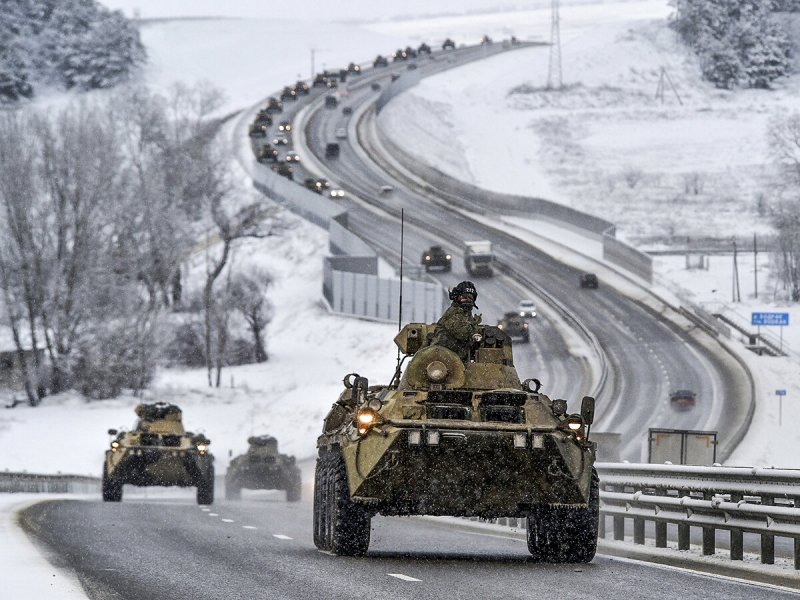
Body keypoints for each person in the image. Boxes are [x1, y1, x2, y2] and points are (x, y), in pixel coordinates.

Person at [431, 281, 482, 363]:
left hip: (454, 358)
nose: (467, 300)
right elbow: (463, 333)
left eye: (470, 298)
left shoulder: (465, 313)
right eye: (464, 297)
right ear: (457, 297)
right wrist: (474, 325)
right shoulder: (455, 313)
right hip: (442, 359)